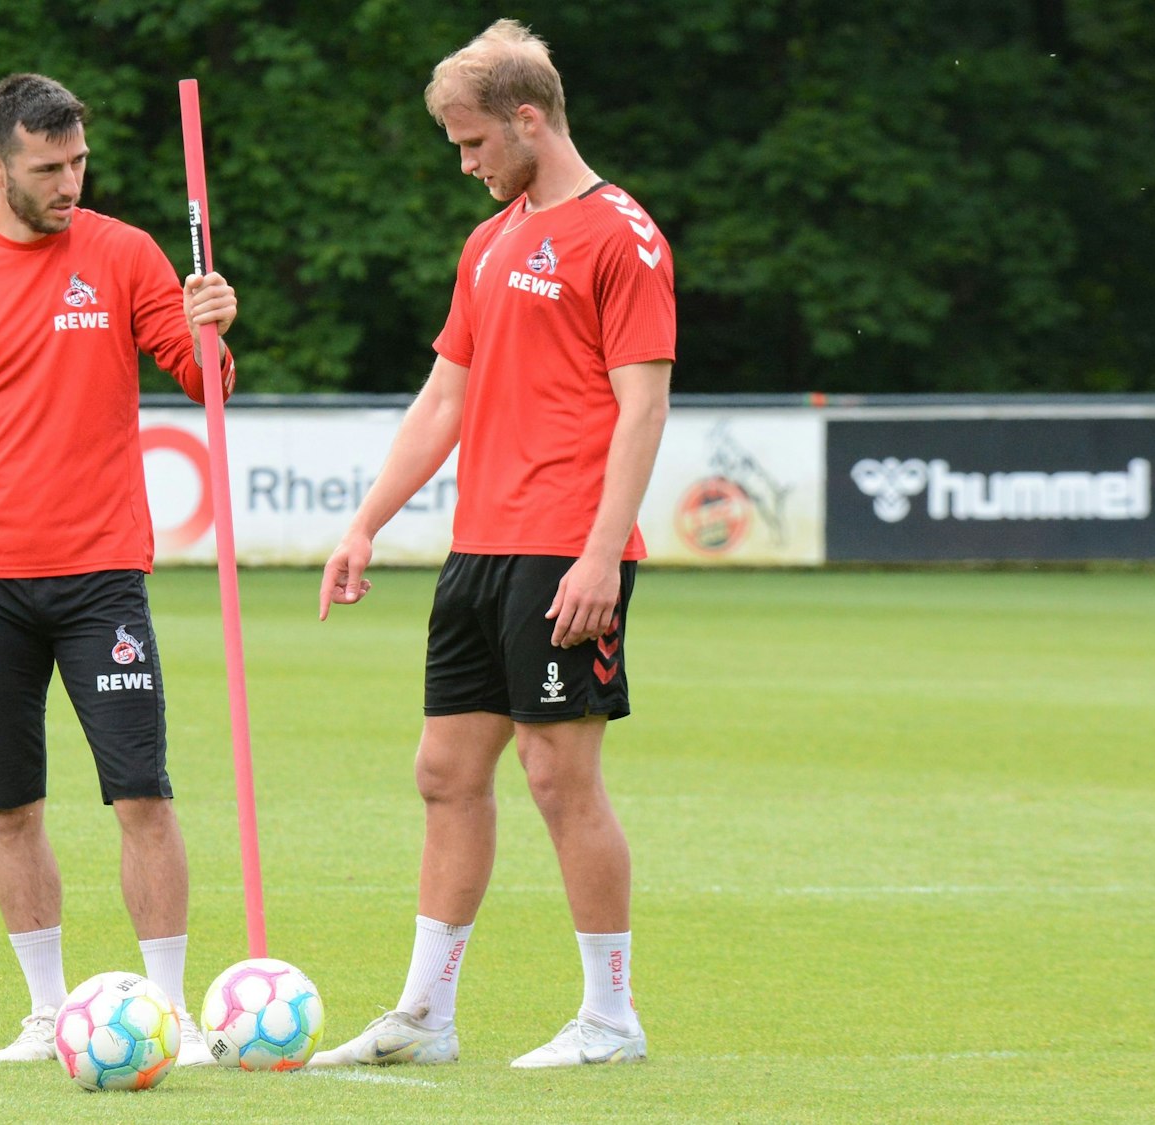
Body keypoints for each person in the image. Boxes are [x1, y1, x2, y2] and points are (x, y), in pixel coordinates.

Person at [308, 20, 674, 1070]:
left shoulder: (621, 235)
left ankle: (609, 1018)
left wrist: (602, 554)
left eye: (471, 143)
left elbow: (640, 406)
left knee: (561, 778)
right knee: (442, 773)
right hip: (480, 550)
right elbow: (444, 397)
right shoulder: (491, 240)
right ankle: (424, 1017)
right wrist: (366, 519)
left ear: (527, 118)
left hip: (567, 548)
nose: (463, 163)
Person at [0, 72, 237, 1066]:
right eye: (48, 168)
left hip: (100, 580)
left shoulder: (125, 254)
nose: (69, 182)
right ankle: (47, 1013)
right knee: (9, 805)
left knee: (141, 795)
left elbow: (200, 376)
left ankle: (166, 1012)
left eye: (78, 161)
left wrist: (213, 325)